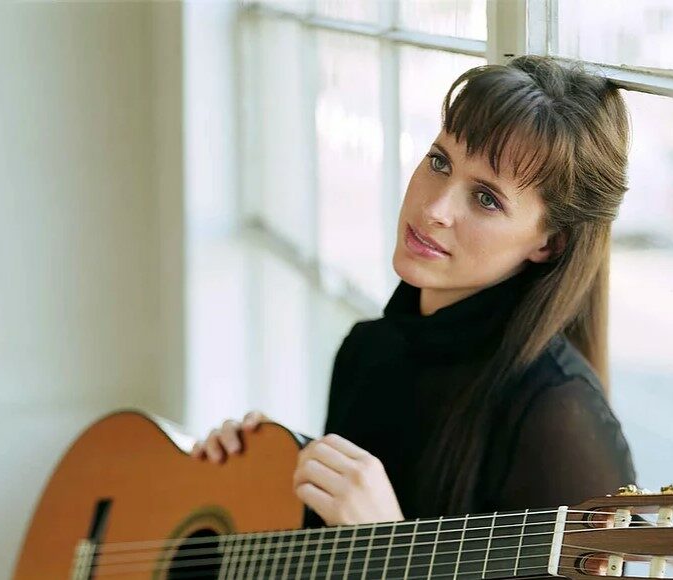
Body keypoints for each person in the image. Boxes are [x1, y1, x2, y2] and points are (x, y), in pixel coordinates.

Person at [191, 54, 636, 529]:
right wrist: (251, 480)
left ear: (549, 244)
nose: (434, 208)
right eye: (440, 162)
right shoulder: (366, 351)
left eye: (486, 199)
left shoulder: (560, 415)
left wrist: (385, 537)